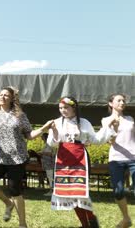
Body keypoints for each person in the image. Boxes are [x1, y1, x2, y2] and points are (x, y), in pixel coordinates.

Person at [0, 86, 54, 228]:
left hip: (17, 158)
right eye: (1, 95)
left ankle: (22, 224)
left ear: (12, 98)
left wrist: (44, 128)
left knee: (15, 190)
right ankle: (8, 203)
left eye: (6, 95)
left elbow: (29, 135)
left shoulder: (19, 115)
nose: (3, 97)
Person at [47, 96, 117, 228]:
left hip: (80, 159)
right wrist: (55, 131)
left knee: (80, 192)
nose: (63, 110)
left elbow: (96, 140)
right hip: (63, 159)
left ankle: (91, 220)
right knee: (70, 193)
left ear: (74, 108)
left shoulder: (84, 122)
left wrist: (107, 127)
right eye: (61, 108)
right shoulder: (56, 122)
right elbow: (52, 144)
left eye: (66, 107)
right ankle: (85, 224)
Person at [101, 94, 134, 228]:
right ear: (111, 103)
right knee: (118, 191)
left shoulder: (130, 119)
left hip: (133, 158)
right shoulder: (105, 120)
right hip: (116, 159)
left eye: (123, 100)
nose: (122, 102)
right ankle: (126, 219)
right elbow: (109, 141)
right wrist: (114, 128)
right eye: (119, 100)